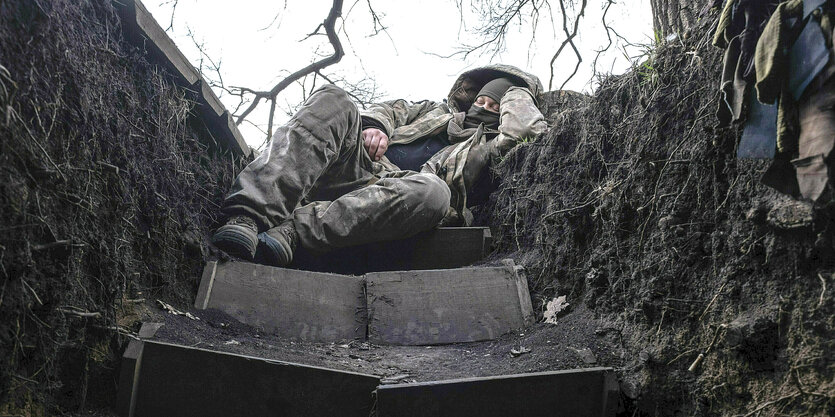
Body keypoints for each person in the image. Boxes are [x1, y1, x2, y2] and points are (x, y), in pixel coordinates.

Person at [211, 64, 547, 267]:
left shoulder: (491, 146)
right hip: (357, 165)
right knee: (335, 98)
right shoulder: (433, 109)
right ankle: (248, 217)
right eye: (480, 99)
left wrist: (516, 91)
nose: (483, 106)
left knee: (434, 192)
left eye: (493, 104)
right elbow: (391, 109)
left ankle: (293, 232)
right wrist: (375, 127)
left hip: (394, 200)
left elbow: (526, 132)